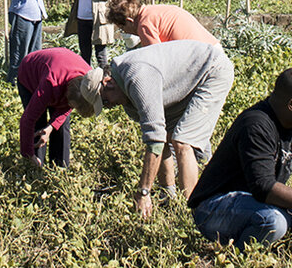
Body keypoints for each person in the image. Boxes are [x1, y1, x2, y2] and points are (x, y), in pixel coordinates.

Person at [188, 68, 292, 251]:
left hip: (256, 203)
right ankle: (239, 261)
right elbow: (264, 188)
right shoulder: (256, 124)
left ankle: (288, 254)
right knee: (274, 221)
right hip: (214, 208)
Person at [76, 39, 234, 217]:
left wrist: (144, 191)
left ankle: (193, 213)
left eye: (105, 101)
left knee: (182, 141)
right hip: (186, 84)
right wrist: (165, 192)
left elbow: (155, 140)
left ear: (107, 82)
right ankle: (170, 199)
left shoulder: (137, 77)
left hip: (211, 71)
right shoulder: (128, 103)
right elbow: (159, 140)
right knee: (168, 137)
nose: (110, 106)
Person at [16, 47, 96, 168]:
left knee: (62, 127)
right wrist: (28, 154)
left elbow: (67, 107)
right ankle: (36, 167)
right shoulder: (50, 83)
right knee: (38, 124)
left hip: (61, 68)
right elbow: (28, 120)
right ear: (66, 95)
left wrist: (51, 127)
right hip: (30, 73)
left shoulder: (89, 82)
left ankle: (60, 168)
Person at [106, 0, 219, 47]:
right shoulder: (154, 11)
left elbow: (155, 61)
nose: (125, 32)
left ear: (130, 21)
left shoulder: (144, 25)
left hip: (206, 60)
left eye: (122, 28)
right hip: (213, 48)